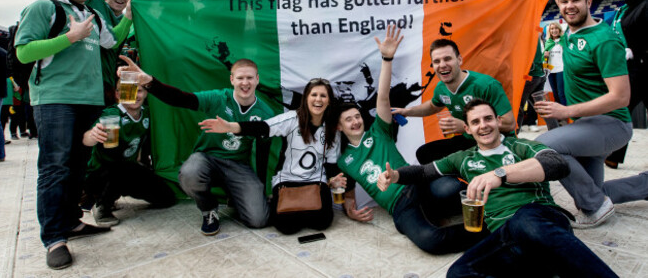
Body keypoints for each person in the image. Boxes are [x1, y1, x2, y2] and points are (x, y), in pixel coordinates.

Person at [378, 98, 618, 278]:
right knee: (460, 272)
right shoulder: (463, 158)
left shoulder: (518, 147)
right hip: (504, 238)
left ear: (497, 121)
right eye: (475, 122)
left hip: (539, 221)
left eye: (488, 119)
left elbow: (557, 165)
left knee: (524, 220)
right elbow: (422, 171)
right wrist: (395, 175)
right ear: (468, 129)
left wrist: (501, 174)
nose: (483, 126)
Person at [14, 0, 133, 269]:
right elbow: (24, 52)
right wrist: (70, 36)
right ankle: (54, 238)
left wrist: (129, 18)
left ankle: (72, 222)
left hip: (89, 100)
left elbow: (112, 41)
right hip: (55, 99)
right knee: (55, 166)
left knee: (79, 165)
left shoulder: (92, 13)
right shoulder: (45, 7)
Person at [336, 25, 487, 255]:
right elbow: (348, 189)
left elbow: (383, 96)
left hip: (416, 183)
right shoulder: (343, 159)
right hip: (400, 206)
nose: (356, 121)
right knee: (431, 241)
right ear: (339, 127)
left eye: (357, 116)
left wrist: (387, 58)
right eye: (349, 120)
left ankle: (504, 209)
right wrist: (349, 208)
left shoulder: (378, 131)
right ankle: (492, 232)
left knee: (451, 188)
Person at [117, 56, 274, 235]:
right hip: (207, 159)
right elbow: (181, 99)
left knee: (259, 220)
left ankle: (235, 194)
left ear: (257, 79)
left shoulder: (265, 113)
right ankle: (208, 209)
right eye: (240, 78)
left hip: (238, 165)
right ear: (232, 79)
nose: (245, 83)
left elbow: (263, 151)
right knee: (189, 174)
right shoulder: (218, 98)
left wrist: (259, 188)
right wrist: (150, 82)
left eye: (249, 78)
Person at [535, 0, 637, 228]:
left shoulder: (603, 40)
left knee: (544, 148)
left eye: (576, 1)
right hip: (587, 125)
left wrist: (566, 110)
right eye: (564, 1)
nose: (569, 6)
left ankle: (596, 207)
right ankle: (643, 184)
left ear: (589, 2)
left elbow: (621, 97)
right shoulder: (570, 28)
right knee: (590, 191)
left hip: (611, 124)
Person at [200, 78, 344, 234]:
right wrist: (230, 126)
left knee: (323, 223)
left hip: (315, 181)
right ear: (306, 98)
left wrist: (333, 180)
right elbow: (263, 127)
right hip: (288, 180)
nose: (318, 99)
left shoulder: (332, 130)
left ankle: (298, 210)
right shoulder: (292, 118)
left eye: (323, 96)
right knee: (286, 228)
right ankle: (276, 203)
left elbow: (330, 165)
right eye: (313, 94)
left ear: (329, 101)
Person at [393, 38, 515, 164]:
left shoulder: (486, 85)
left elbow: (509, 124)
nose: (442, 65)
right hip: (471, 140)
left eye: (447, 59)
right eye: (436, 61)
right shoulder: (441, 88)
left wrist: (465, 126)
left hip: (498, 142)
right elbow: (433, 106)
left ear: (459, 60)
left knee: (453, 175)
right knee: (424, 153)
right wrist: (406, 111)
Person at [82, 82, 175, 226]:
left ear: (146, 93)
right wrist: (92, 135)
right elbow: (86, 140)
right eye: (128, 91)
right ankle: (101, 205)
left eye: (139, 91)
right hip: (100, 174)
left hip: (127, 171)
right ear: (118, 94)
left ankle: (113, 194)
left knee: (167, 198)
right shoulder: (112, 114)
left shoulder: (147, 113)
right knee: (121, 166)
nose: (134, 95)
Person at [607, 0, 648, 167]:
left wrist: (638, 50)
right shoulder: (627, 9)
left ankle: (612, 156)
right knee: (621, 109)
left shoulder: (645, 5)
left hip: (644, 65)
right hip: (635, 69)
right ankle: (613, 156)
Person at [516, 37, 559, 132]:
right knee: (542, 107)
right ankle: (556, 130)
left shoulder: (526, 34)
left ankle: (513, 137)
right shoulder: (534, 33)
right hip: (538, 74)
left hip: (530, 75)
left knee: (517, 107)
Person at [543, 21, 566, 106]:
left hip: (561, 70)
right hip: (551, 71)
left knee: (561, 94)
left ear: (559, 30)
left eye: (556, 28)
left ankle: (565, 114)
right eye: (552, 29)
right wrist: (546, 56)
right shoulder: (548, 42)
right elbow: (545, 60)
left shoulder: (563, 41)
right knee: (555, 94)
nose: (554, 30)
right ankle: (559, 115)